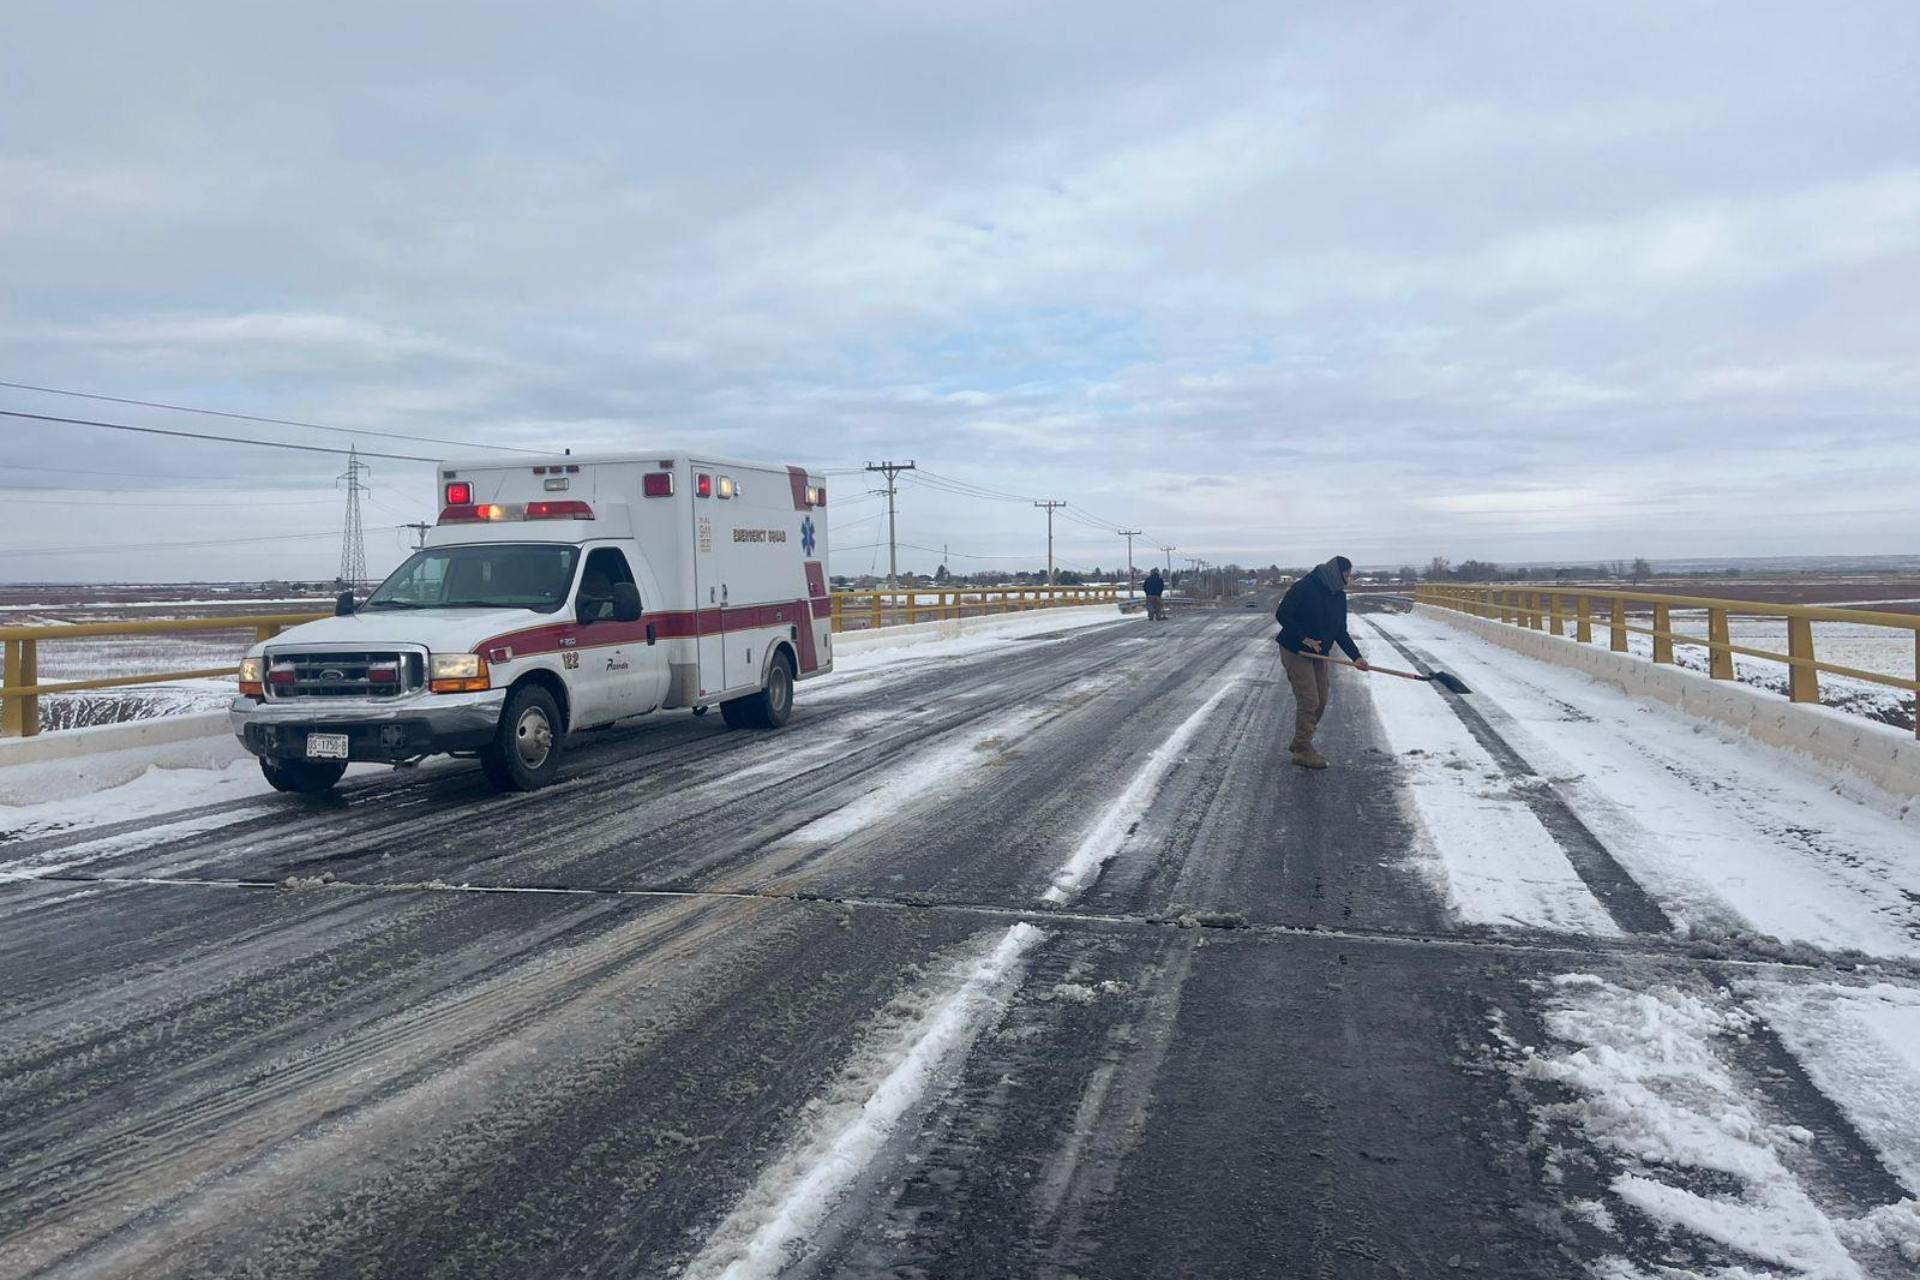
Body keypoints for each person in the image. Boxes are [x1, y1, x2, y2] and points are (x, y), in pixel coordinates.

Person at [1274, 556, 1369, 769]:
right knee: (1309, 699)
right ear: (1334, 573)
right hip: (1295, 649)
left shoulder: (1338, 596)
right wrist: (1303, 637)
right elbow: (1282, 614)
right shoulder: (1305, 587)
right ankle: (1302, 750)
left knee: (1322, 700)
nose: (1347, 580)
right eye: (1345, 575)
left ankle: (1300, 740)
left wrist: (1356, 657)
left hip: (1319, 653)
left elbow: (1340, 632)